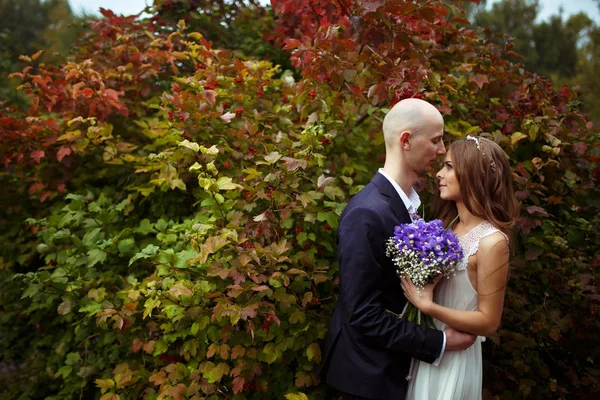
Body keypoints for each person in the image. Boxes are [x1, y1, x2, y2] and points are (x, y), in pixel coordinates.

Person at [317, 98, 477, 400]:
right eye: (435, 140)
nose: (442, 150)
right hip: (366, 380)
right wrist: (439, 342)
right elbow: (362, 315)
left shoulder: (412, 206)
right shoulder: (367, 212)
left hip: (396, 374)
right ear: (406, 140)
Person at [402, 136, 519, 400]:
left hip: (455, 359)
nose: (439, 174)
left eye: (449, 167)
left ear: (473, 174)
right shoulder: (445, 228)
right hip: (430, 350)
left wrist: (429, 307)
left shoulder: (492, 242)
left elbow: (489, 322)